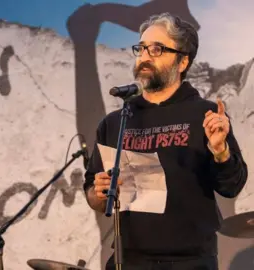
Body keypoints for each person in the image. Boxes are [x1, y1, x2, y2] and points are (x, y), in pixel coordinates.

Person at [83, 12, 248, 270]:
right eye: (141, 48)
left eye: (157, 49)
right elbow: (93, 194)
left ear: (182, 62)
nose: (145, 56)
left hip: (190, 262)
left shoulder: (204, 115)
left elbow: (232, 186)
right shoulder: (115, 122)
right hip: (128, 260)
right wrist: (100, 191)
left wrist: (220, 151)